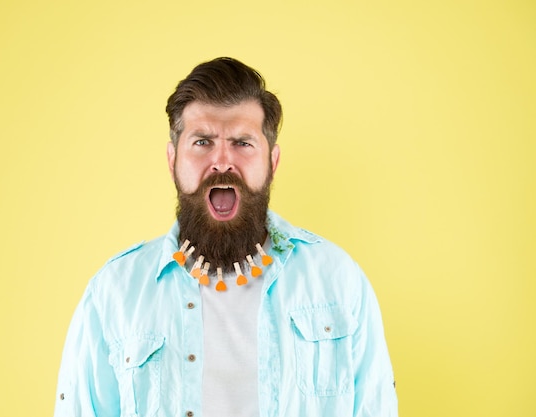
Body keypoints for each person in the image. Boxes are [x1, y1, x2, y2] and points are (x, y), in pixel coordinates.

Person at [53, 57, 398, 417]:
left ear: (272, 162)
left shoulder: (337, 281)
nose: (221, 161)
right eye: (202, 142)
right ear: (172, 159)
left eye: (242, 143)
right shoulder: (115, 291)